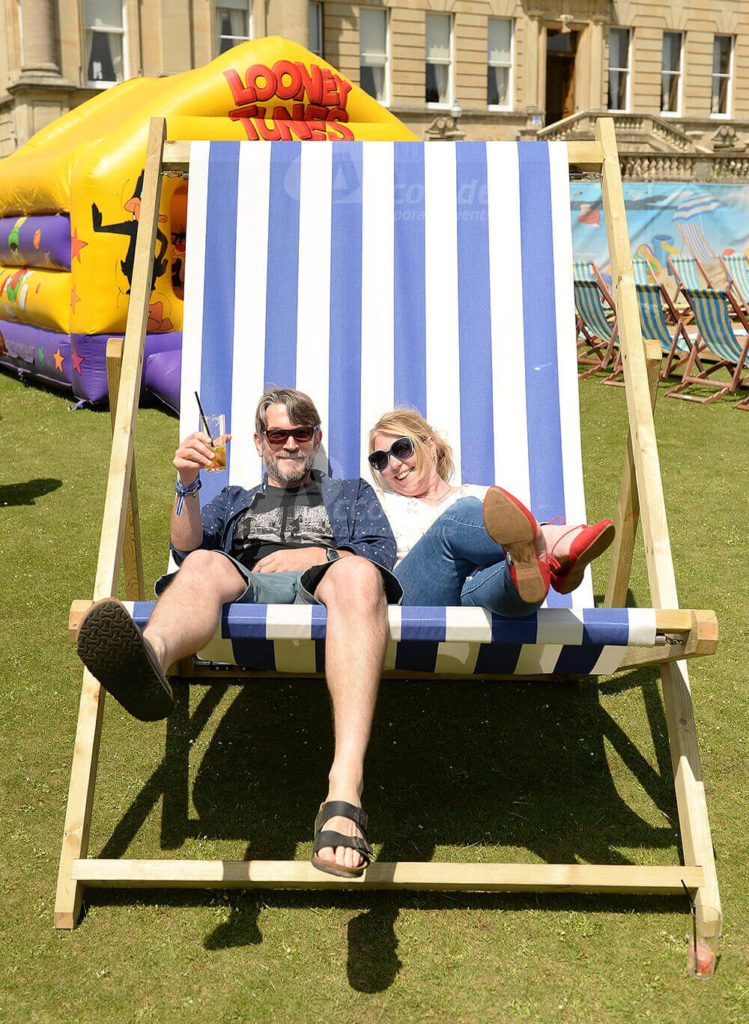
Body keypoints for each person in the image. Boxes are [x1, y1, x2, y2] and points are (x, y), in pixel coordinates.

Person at [77, 387, 401, 880]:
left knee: (359, 575)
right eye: (278, 434)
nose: (290, 444)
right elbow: (186, 555)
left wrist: (318, 556)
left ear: (315, 440)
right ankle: (150, 658)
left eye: (301, 434)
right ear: (258, 441)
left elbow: (379, 557)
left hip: (328, 588)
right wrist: (187, 482)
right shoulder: (233, 499)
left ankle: (343, 792)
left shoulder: (350, 492)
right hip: (247, 587)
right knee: (206, 561)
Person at [368, 408, 615, 614]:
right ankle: (551, 540)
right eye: (381, 459)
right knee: (461, 514)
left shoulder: (484, 495)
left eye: (401, 449)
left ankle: (534, 565)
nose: (394, 464)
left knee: (519, 569)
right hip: (415, 606)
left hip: (478, 601)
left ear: (429, 444)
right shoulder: (374, 504)